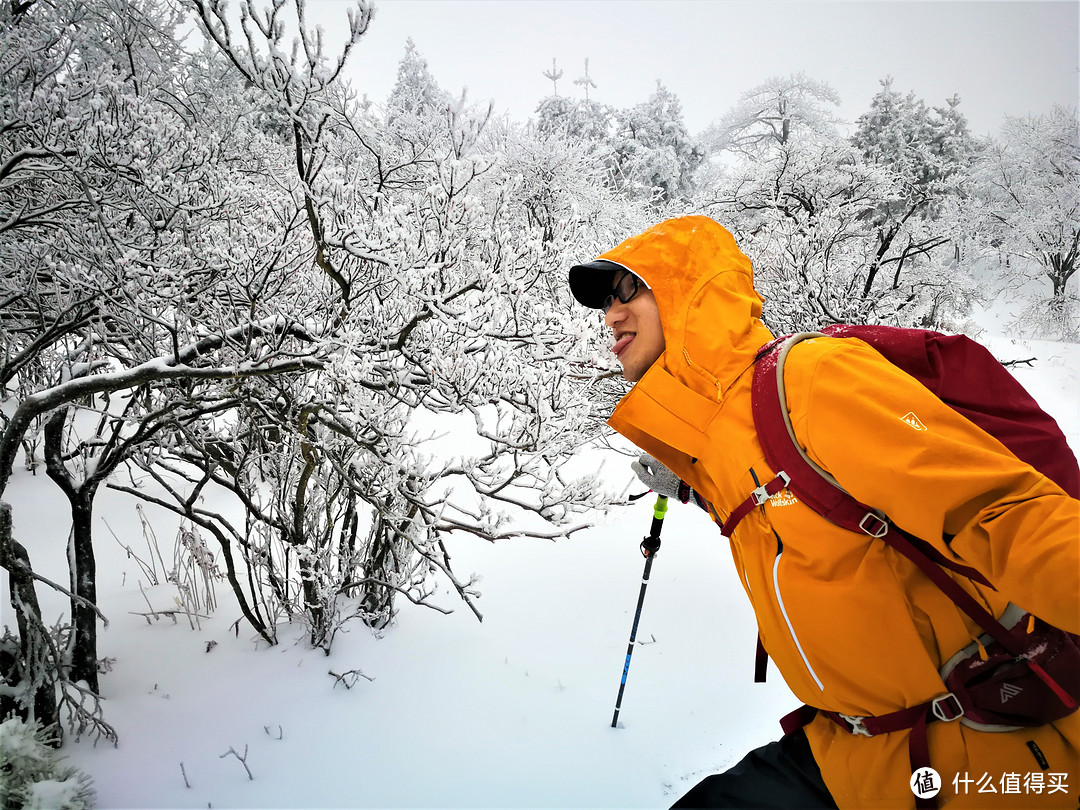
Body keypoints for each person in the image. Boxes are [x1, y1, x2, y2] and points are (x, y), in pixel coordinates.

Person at [567, 215, 1080, 808]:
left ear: (693, 290)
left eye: (630, 289)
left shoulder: (811, 380)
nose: (611, 314)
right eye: (605, 301)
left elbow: (1004, 513)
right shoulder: (722, 440)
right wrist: (698, 490)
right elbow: (808, 515)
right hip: (848, 751)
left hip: (978, 756)